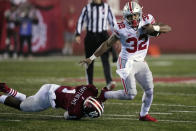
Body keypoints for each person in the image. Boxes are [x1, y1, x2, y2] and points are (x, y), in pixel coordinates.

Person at [80, 0, 172, 122]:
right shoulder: (121, 28)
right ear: (125, 17)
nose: (133, 18)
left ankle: (143, 115)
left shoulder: (147, 20)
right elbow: (107, 44)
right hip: (126, 62)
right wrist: (91, 58)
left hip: (141, 62)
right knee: (131, 95)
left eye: (135, 15)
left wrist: (154, 28)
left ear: (140, 13)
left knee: (150, 91)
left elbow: (168, 28)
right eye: (130, 16)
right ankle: (105, 94)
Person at [0, 83, 104, 120]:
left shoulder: (90, 90)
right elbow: (66, 115)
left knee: (30, 100)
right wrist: (82, 115)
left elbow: (96, 93)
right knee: (22, 106)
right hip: (48, 98)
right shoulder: (75, 110)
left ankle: (6, 89)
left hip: (52, 86)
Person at [75, 0, 117, 90]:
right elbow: (80, 20)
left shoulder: (106, 7)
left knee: (105, 59)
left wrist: (117, 35)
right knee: (89, 60)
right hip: (91, 36)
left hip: (103, 35)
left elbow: (112, 21)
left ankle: (109, 82)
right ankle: (89, 84)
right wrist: (77, 33)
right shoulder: (87, 7)